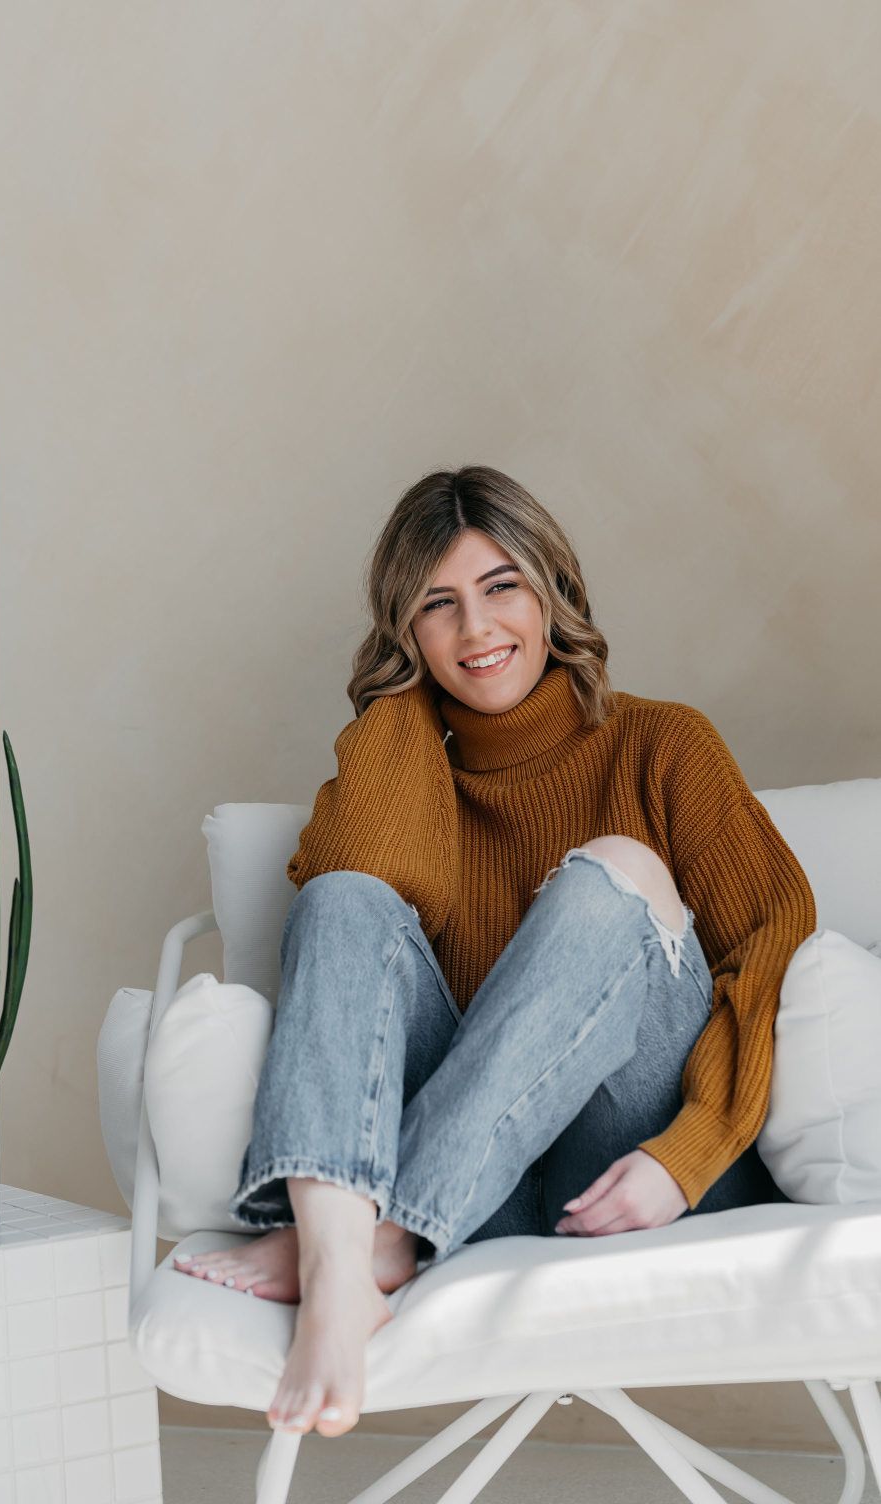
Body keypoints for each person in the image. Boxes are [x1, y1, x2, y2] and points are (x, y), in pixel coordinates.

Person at [173, 465, 817, 1443]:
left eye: (500, 587)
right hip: (490, 1192)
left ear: (551, 591)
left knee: (613, 870)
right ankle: (347, 1255)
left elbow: (774, 942)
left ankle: (361, 1244)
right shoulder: (407, 755)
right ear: (404, 633)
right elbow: (358, 877)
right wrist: (400, 709)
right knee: (343, 899)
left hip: (635, 1161)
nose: (474, 630)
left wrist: (685, 1155)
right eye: (436, 606)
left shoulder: (662, 744)